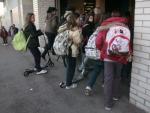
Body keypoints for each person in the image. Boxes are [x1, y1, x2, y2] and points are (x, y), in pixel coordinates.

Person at [96, 11, 131, 110]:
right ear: (120, 17)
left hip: (108, 56)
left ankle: (108, 104)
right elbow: (128, 42)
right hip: (121, 56)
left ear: (110, 16)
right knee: (117, 77)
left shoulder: (105, 25)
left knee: (108, 79)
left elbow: (98, 41)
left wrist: (101, 50)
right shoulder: (125, 26)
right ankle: (116, 95)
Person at [58, 11, 82, 89]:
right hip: (72, 50)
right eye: (79, 19)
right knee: (71, 67)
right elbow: (78, 41)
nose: (80, 20)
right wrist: (80, 35)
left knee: (69, 66)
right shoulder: (75, 29)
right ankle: (69, 84)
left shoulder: (66, 26)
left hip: (65, 49)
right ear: (75, 19)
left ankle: (68, 81)